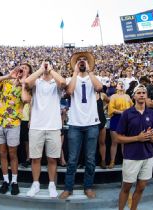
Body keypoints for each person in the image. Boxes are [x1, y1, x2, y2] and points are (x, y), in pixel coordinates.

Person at [0, 63, 32, 195]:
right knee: (2, 154)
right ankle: (5, 180)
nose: (22, 69)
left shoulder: (28, 86)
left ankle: (14, 182)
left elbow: (25, 99)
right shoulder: (6, 82)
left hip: (13, 124)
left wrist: (23, 82)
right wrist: (9, 75)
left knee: (12, 154)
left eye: (26, 69)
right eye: (21, 67)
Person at [60, 52, 103, 199]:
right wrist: (75, 73)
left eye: (84, 60)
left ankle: (88, 186)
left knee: (90, 158)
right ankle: (68, 187)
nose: (82, 62)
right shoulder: (71, 78)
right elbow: (70, 91)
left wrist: (90, 71)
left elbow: (99, 88)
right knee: (72, 159)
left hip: (92, 123)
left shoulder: (93, 77)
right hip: (75, 124)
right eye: (79, 60)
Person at [24, 61, 66, 198]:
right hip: (36, 125)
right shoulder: (37, 81)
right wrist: (41, 69)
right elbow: (26, 82)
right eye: (44, 64)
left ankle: (51, 184)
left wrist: (51, 70)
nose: (46, 67)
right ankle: (35, 184)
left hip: (53, 126)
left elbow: (63, 83)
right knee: (35, 159)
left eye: (48, 65)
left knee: (53, 159)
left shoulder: (56, 83)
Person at [116, 84, 153, 210]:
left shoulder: (151, 113)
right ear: (134, 96)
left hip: (147, 156)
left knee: (141, 187)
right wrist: (137, 138)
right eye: (138, 92)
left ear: (146, 96)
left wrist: (150, 136)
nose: (141, 95)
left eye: (143, 93)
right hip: (132, 157)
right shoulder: (127, 114)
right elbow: (118, 138)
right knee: (126, 188)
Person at [108, 83, 133, 169]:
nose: (121, 85)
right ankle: (112, 161)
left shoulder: (127, 96)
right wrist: (122, 112)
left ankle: (125, 161)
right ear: (116, 87)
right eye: (119, 84)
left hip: (126, 119)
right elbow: (111, 109)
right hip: (115, 119)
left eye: (122, 84)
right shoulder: (113, 96)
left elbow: (132, 107)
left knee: (124, 142)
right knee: (114, 142)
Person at [96, 90, 109, 169]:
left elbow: (109, 101)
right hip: (91, 121)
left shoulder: (102, 95)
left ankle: (103, 161)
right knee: (90, 143)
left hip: (101, 120)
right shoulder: (87, 94)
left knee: (102, 142)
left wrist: (104, 108)